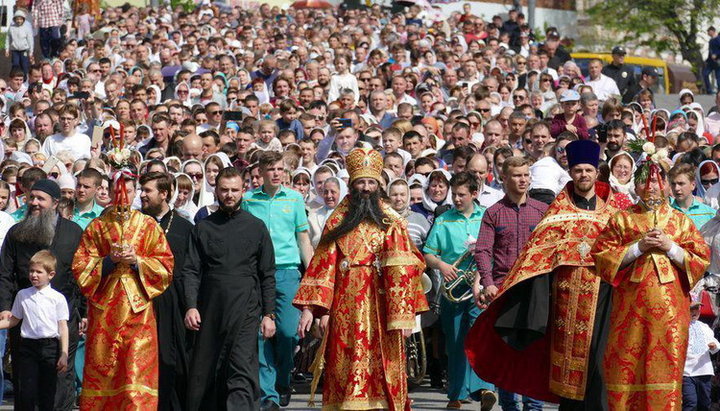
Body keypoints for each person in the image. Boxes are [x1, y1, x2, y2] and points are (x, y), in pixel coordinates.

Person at [467, 140, 625, 409]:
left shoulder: (613, 213)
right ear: (571, 173)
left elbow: (623, 254)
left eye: (588, 170)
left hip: (603, 300)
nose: (583, 175)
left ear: (596, 173)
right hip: (563, 302)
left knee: (598, 367)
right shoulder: (557, 211)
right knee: (564, 371)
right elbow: (536, 256)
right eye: (578, 170)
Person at [294, 147, 428, 410]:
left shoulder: (392, 221)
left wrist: (404, 316)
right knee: (345, 365)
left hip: (383, 309)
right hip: (346, 307)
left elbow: (409, 265)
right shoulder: (338, 220)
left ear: (378, 185)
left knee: (383, 369)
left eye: (371, 182)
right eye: (361, 182)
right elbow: (323, 265)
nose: (366, 188)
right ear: (352, 185)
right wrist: (311, 309)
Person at [592, 150, 710, 410]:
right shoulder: (622, 219)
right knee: (627, 368)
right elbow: (600, 257)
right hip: (629, 312)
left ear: (666, 184)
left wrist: (670, 247)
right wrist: (637, 247)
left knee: (665, 370)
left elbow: (701, 259)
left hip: (670, 313)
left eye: (657, 181)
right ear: (635, 185)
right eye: (645, 181)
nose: (651, 187)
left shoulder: (680, 221)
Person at [72, 169, 174, 409]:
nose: (123, 197)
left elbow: (165, 265)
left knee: (136, 369)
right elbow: (80, 264)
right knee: (104, 367)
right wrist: (108, 261)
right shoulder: (97, 227)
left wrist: (136, 260)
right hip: (105, 308)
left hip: (138, 310)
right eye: (119, 191)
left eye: (128, 191)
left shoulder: (148, 225)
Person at [184, 166, 276, 410]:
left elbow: (267, 274)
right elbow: (191, 270)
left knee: (241, 368)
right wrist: (191, 306)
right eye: (224, 190)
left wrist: (269, 314)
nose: (229, 195)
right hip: (210, 307)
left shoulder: (256, 227)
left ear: (243, 190)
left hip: (246, 307)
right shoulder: (203, 228)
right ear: (216, 190)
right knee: (208, 370)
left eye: (235, 190)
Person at [472, 156, 547, 410]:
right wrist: (488, 282)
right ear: (504, 178)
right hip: (504, 291)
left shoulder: (541, 211)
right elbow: (483, 250)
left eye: (526, 174)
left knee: (533, 351)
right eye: (517, 175)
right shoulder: (494, 212)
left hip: (535, 290)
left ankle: (533, 407)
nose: (523, 179)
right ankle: (508, 406)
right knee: (506, 353)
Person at [0, 178, 83, 410]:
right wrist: (5, 307)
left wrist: (83, 311)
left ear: (55, 203)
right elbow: (5, 273)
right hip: (26, 321)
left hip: (63, 319)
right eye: (31, 197)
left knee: (60, 380)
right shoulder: (17, 233)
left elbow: (82, 274)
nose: (34, 203)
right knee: (25, 384)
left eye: (41, 199)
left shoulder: (73, 232)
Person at [241, 151, 313, 410]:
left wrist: (312, 274)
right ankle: (268, 393)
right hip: (256, 273)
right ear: (261, 171)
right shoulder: (248, 199)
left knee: (287, 333)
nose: (276, 173)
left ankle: (284, 380)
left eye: (280, 169)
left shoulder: (294, 199)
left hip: (286, 271)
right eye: (271, 169)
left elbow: (303, 239)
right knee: (260, 335)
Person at [423, 171, 496, 409]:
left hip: (480, 285)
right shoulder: (443, 220)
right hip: (453, 287)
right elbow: (429, 253)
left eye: (461, 195)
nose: (456, 199)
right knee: (455, 340)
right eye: (454, 195)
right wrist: (442, 265)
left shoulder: (486, 216)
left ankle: (483, 388)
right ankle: (456, 394)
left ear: (474, 194)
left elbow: (495, 248)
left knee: (480, 336)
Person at [139, 172, 194, 411]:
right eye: (141, 190)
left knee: (172, 361)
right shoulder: (135, 224)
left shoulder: (184, 227)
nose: (142, 195)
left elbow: (190, 269)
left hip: (173, 303)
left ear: (164, 194)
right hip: (141, 302)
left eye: (147, 191)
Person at [0, 250, 69, 411]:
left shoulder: (57, 298)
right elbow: (14, 320)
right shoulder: (22, 295)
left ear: (50, 274)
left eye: (39, 272)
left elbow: (63, 327)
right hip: (28, 348)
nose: (34, 275)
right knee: (27, 391)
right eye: (31, 271)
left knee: (47, 392)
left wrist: (64, 353)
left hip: (49, 348)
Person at [682, 300, 719, 410]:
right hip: (687, 371)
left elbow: (714, 341)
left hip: (704, 370)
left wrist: (714, 346)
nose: (695, 312)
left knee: (705, 403)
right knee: (690, 403)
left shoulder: (705, 327)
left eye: (697, 309)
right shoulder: (680, 326)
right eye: (692, 309)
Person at [668, 164, 715, 229]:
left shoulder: (710, 213)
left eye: (681, 183)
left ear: (693, 185)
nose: (676, 188)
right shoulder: (666, 212)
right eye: (673, 184)